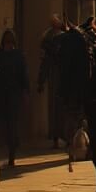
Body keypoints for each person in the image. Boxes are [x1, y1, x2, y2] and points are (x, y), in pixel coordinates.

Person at [0, 28, 29, 168]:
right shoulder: (1, 55)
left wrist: (24, 91)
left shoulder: (16, 56)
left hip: (12, 93)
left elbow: (23, 75)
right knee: (5, 123)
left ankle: (11, 154)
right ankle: (8, 152)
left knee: (11, 123)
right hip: (5, 92)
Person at [37, 14, 67, 148]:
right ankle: (60, 136)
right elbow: (45, 62)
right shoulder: (56, 39)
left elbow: (45, 63)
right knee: (59, 108)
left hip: (59, 77)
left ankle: (59, 136)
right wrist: (41, 81)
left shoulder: (50, 39)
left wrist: (41, 81)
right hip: (59, 77)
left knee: (58, 109)